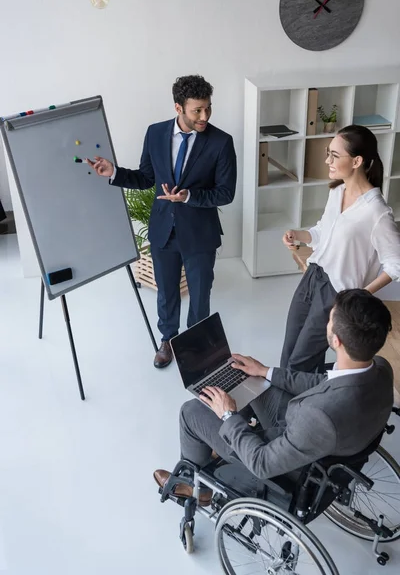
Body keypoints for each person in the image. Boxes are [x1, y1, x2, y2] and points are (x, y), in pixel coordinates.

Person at [153, 289, 393, 504]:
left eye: (330, 318)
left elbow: (261, 463)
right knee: (250, 380)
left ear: (336, 341)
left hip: (281, 456)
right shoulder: (381, 368)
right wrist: (265, 372)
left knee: (191, 411)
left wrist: (228, 416)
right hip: (306, 426)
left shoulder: (320, 417)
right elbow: (325, 383)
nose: (327, 321)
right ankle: (219, 439)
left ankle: (196, 487)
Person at [87, 75, 237, 368]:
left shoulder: (221, 142)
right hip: (163, 231)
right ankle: (168, 339)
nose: (204, 116)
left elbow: (226, 193)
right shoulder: (155, 133)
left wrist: (189, 196)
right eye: (197, 110)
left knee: (199, 295)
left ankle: (196, 344)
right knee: (166, 291)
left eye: (208, 108)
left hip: (200, 235)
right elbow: (146, 178)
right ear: (178, 107)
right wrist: (114, 173)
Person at [280, 124, 400, 374]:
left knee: (300, 362)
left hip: (337, 293)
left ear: (357, 161)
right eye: (328, 152)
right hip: (313, 276)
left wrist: (360, 295)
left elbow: (395, 264)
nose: (327, 160)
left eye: (334, 155)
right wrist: (298, 235)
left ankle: (300, 408)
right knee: (289, 350)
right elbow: (323, 232)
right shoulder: (338, 190)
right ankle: (291, 404)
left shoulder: (376, 212)